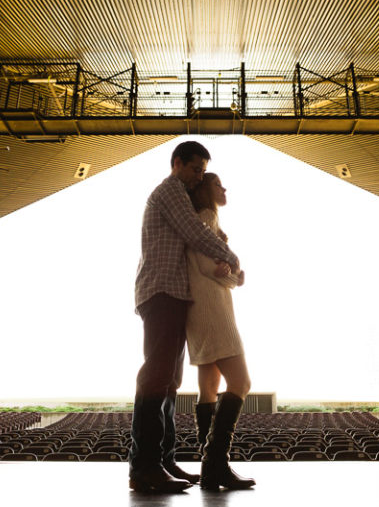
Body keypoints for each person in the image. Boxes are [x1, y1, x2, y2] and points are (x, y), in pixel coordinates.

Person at [129, 141, 240, 493]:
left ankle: (163, 460)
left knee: (171, 379)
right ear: (177, 163)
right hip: (160, 290)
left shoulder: (179, 190)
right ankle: (144, 466)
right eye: (195, 169)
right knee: (157, 375)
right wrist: (231, 256)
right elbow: (194, 232)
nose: (199, 177)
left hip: (175, 293)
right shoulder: (170, 191)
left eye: (203, 172)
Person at [186, 173, 255, 490]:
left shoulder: (203, 219)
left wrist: (231, 275)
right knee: (241, 381)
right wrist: (234, 276)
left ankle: (209, 465)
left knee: (209, 387)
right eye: (218, 184)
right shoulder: (206, 216)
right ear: (205, 191)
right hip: (212, 309)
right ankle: (215, 463)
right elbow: (208, 268)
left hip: (199, 308)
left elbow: (216, 269)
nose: (224, 189)